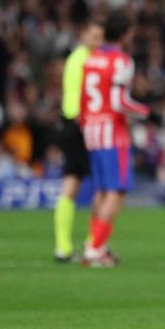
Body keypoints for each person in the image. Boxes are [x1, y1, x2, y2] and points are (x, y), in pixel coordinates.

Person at [79, 14, 150, 267]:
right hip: (112, 132)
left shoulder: (92, 58)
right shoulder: (121, 60)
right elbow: (120, 102)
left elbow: (84, 100)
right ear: (126, 34)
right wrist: (147, 111)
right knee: (116, 192)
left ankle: (94, 244)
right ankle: (95, 249)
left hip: (91, 129)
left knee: (101, 190)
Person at [52, 19, 103, 262]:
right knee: (102, 184)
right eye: (94, 36)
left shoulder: (76, 58)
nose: (98, 42)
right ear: (83, 34)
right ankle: (95, 244)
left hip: (70, 123)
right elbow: (80, 98)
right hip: (81, 124)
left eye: (100, 37)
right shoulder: (85, 59)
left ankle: (63, 247)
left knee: (71, 182)